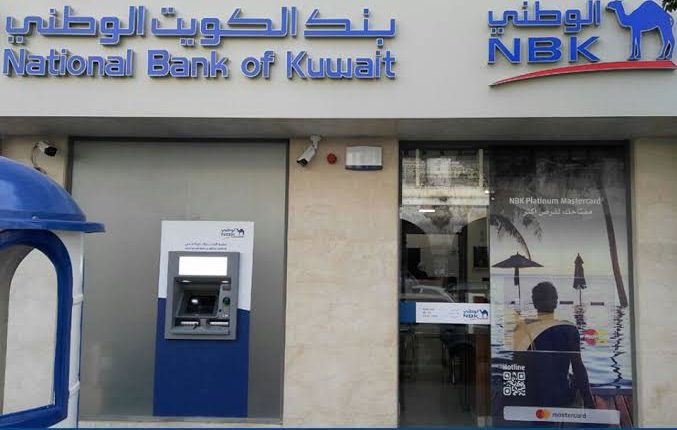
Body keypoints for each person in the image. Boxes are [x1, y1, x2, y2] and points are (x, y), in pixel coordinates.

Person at [511, 282, 595, 409]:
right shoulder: (569, 329)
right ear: (556, 302)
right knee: (573, 378)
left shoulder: (522, 329)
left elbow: (516, 366)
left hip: (533, 397)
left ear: (534, 303)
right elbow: (578, 367)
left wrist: (514, 401)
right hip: (561, 397)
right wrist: (589, 401)